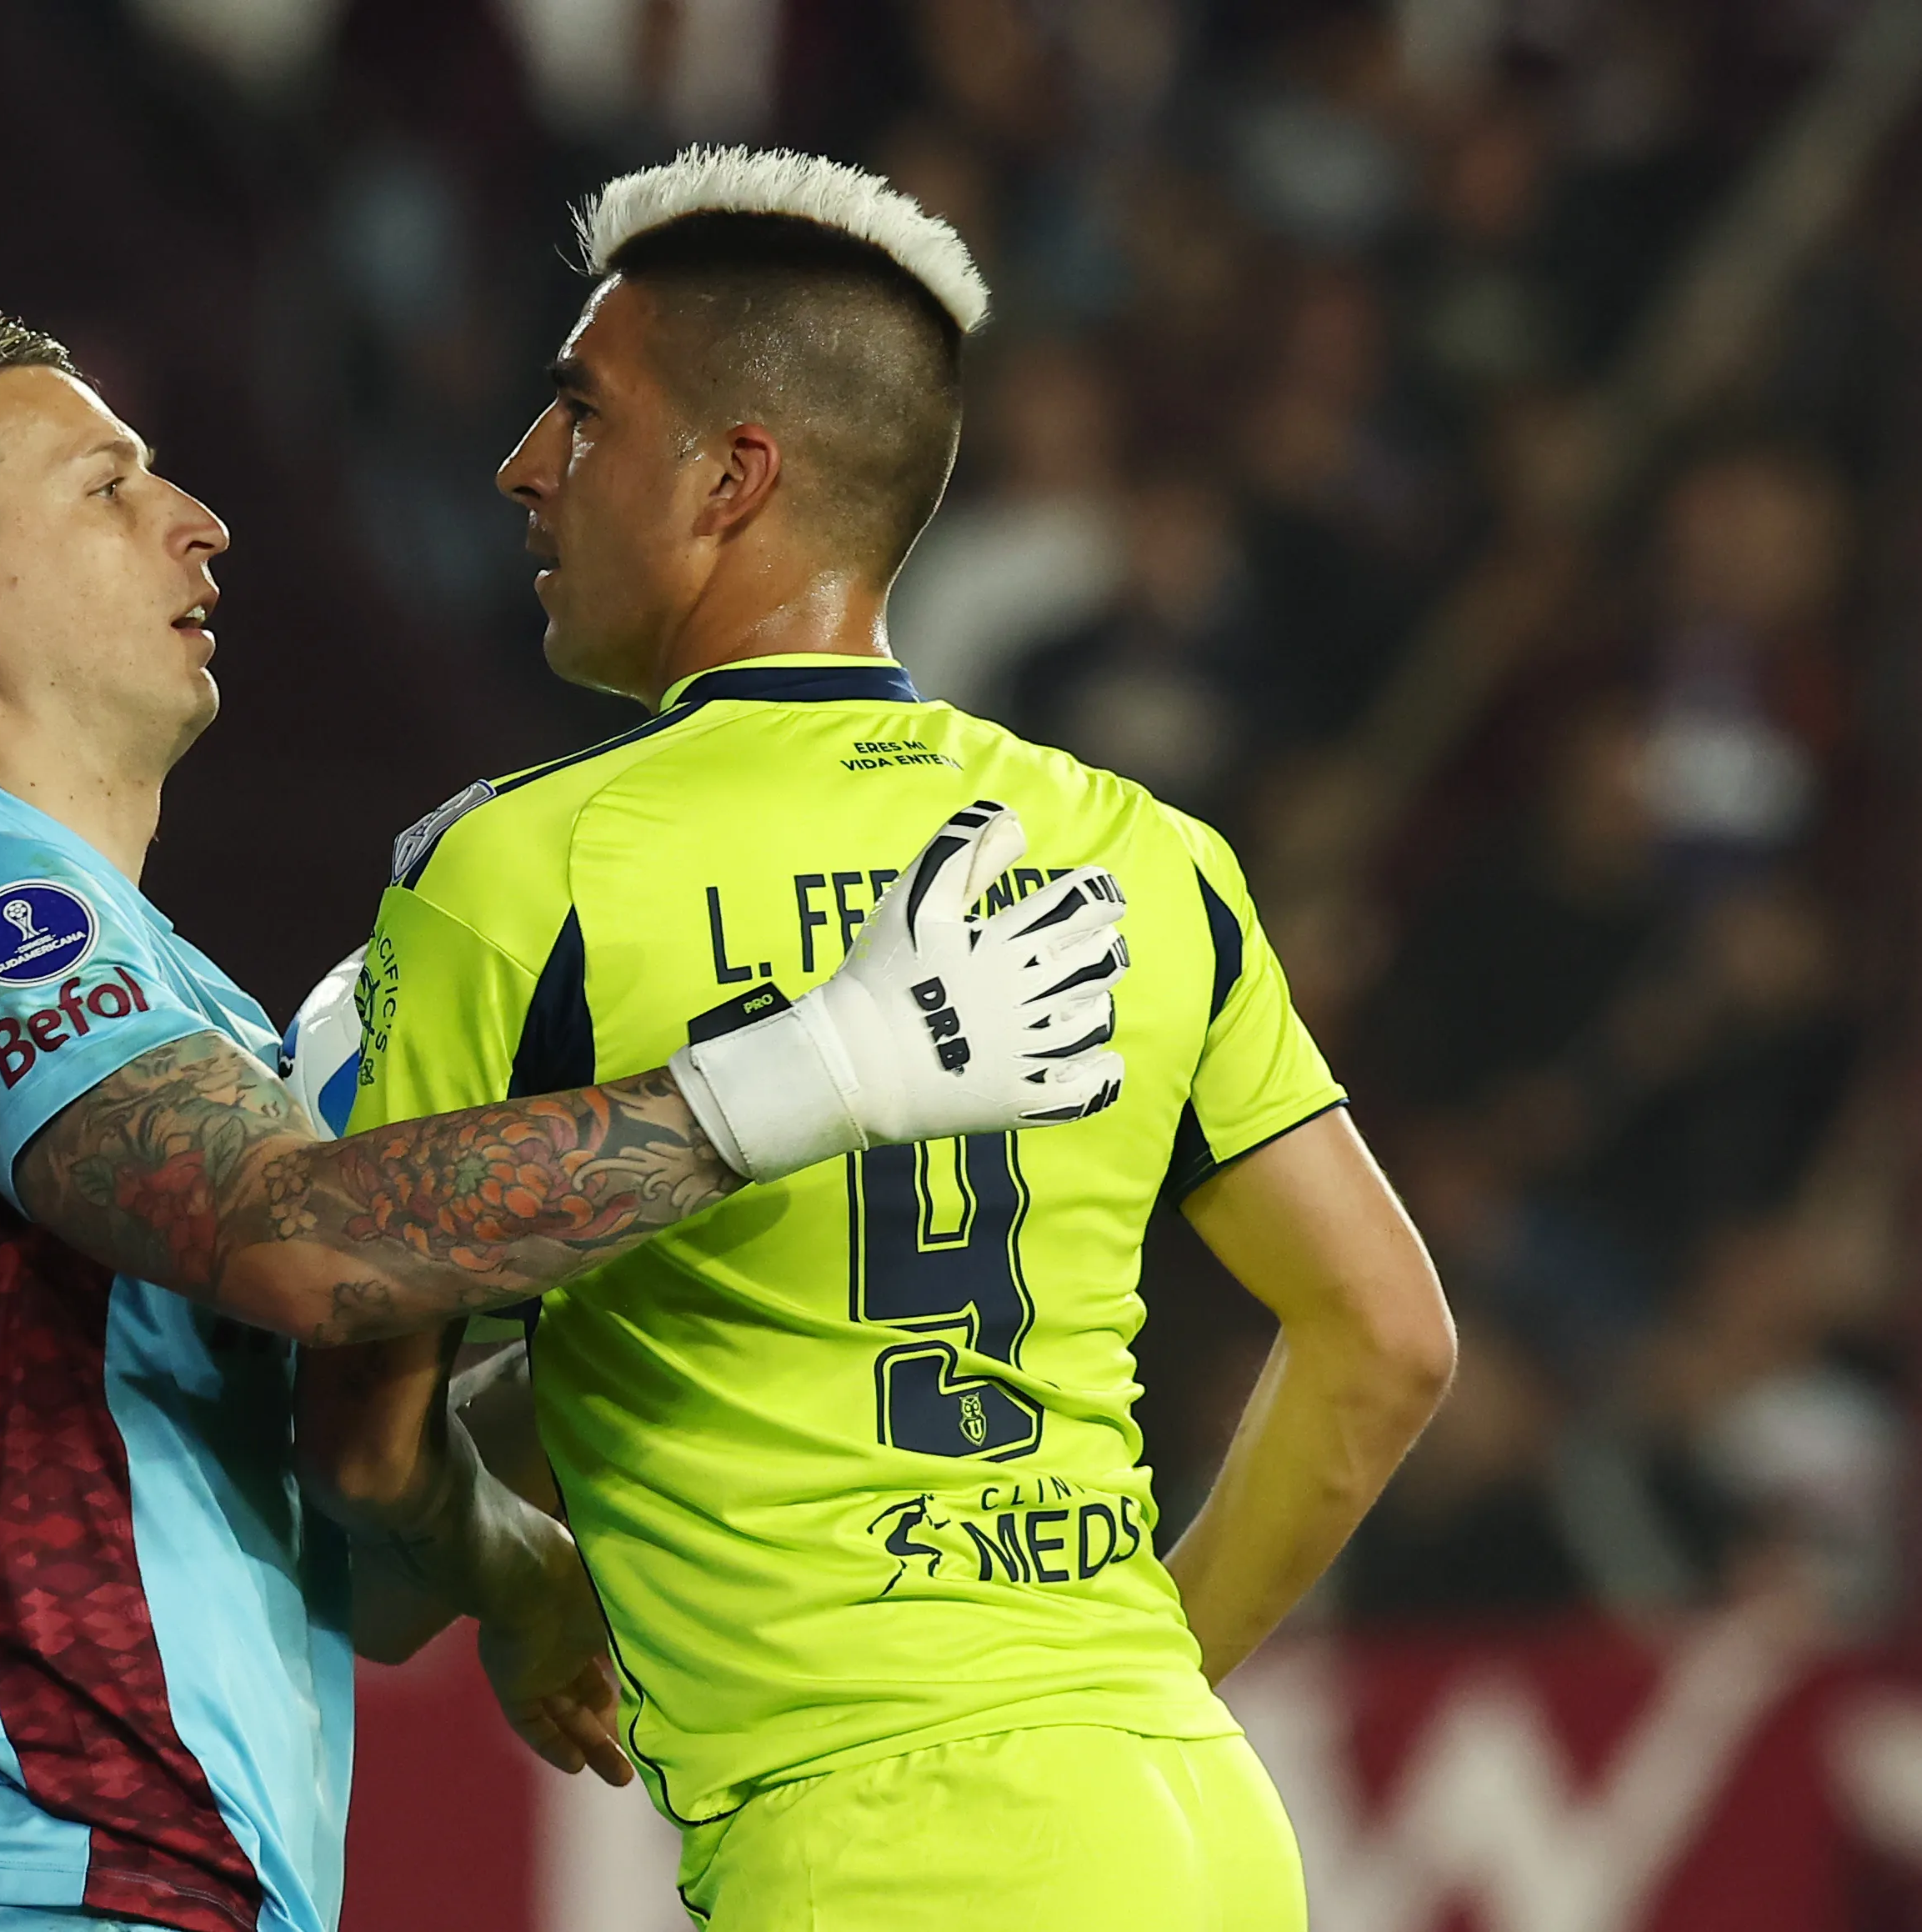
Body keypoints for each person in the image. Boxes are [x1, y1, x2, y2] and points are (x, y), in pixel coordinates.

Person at [0, 308, 1134, 1932]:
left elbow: (341, 1534)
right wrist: (826, 1068)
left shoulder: (156, 999)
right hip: (44, 1877)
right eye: (106, 487)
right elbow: (303, 1243)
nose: (198, 520)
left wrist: (543, 1498)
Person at [308, 148, 1459, 1932]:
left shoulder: (516, 871)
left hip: (869, 1855)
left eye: (581, 414)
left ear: (731, 476)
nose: (522, 468)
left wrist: (510, 1572)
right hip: (1187, 1826)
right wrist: (1131, 1684)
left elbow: (368, 1456)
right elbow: (1382, 1339)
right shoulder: (1135, 850)